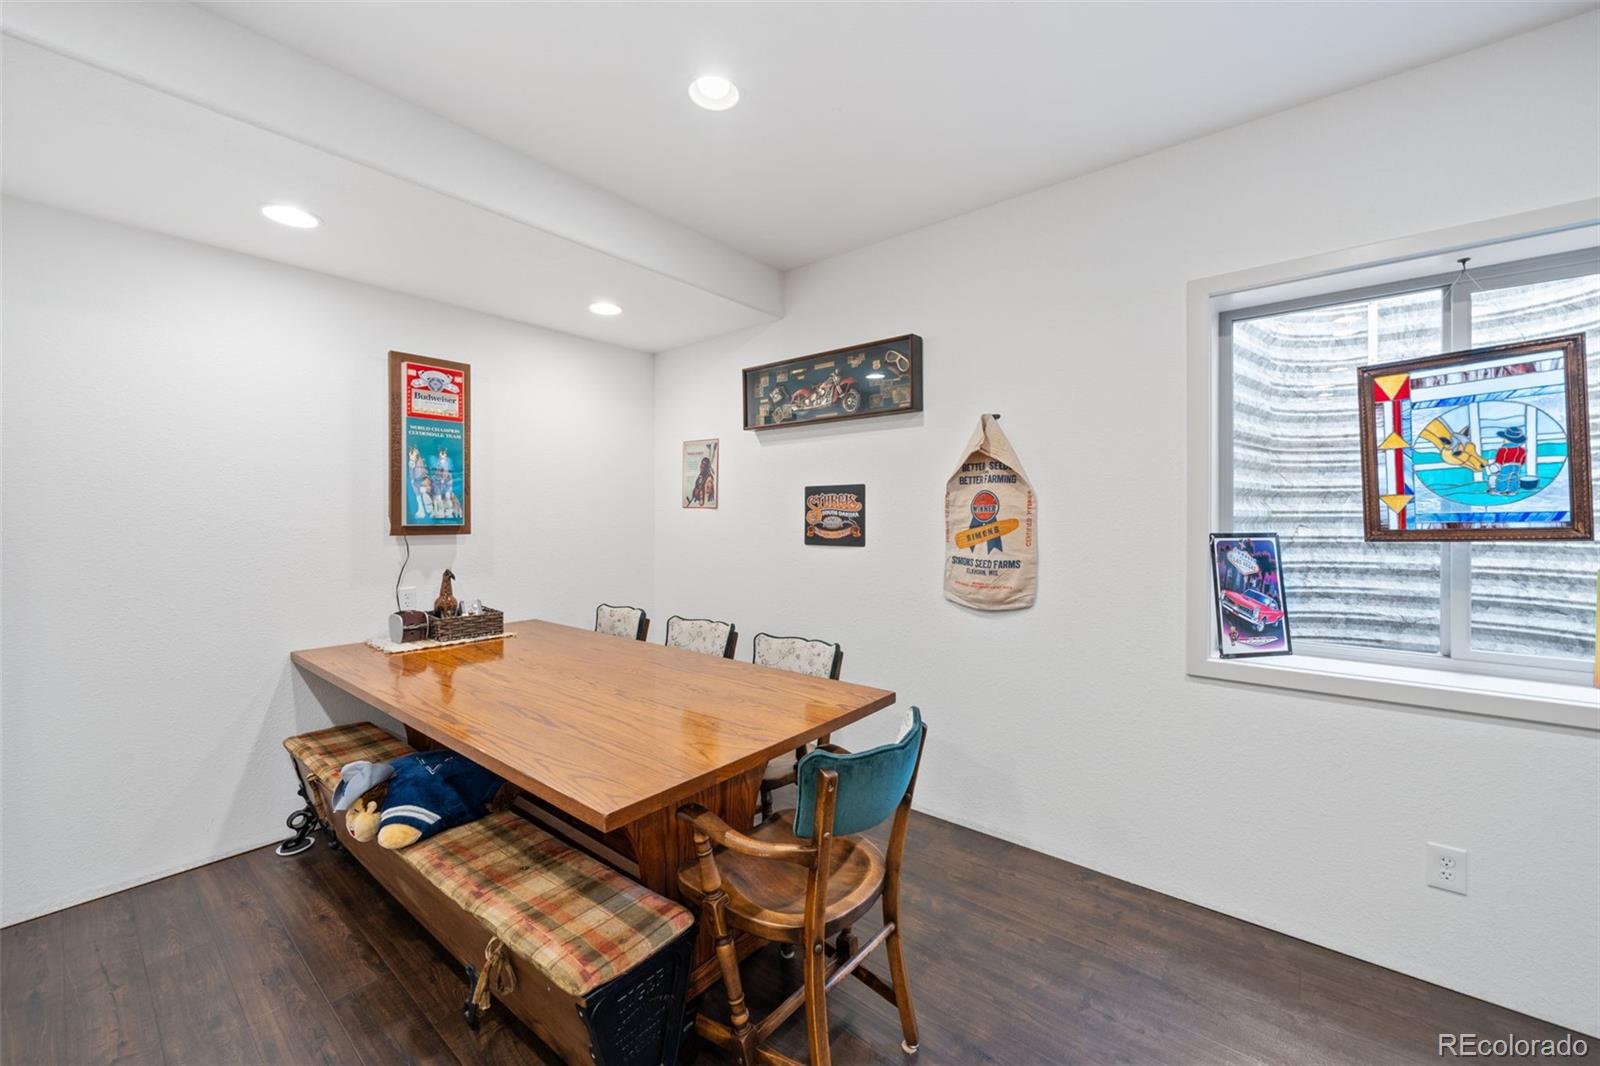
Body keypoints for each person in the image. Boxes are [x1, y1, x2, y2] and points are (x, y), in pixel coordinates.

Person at [1487, 425, 1528, 495]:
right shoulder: (1523, 451)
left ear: (1507, 440)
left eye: (1504, 438)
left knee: (1492, 476)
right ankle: (1512, 491)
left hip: (1503, 474)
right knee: (1514, 478)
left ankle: (1494, 490)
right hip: (1515, 473)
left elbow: (1498, 463)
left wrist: (1491, 467)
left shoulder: (1503, 450)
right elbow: (1522, 462)